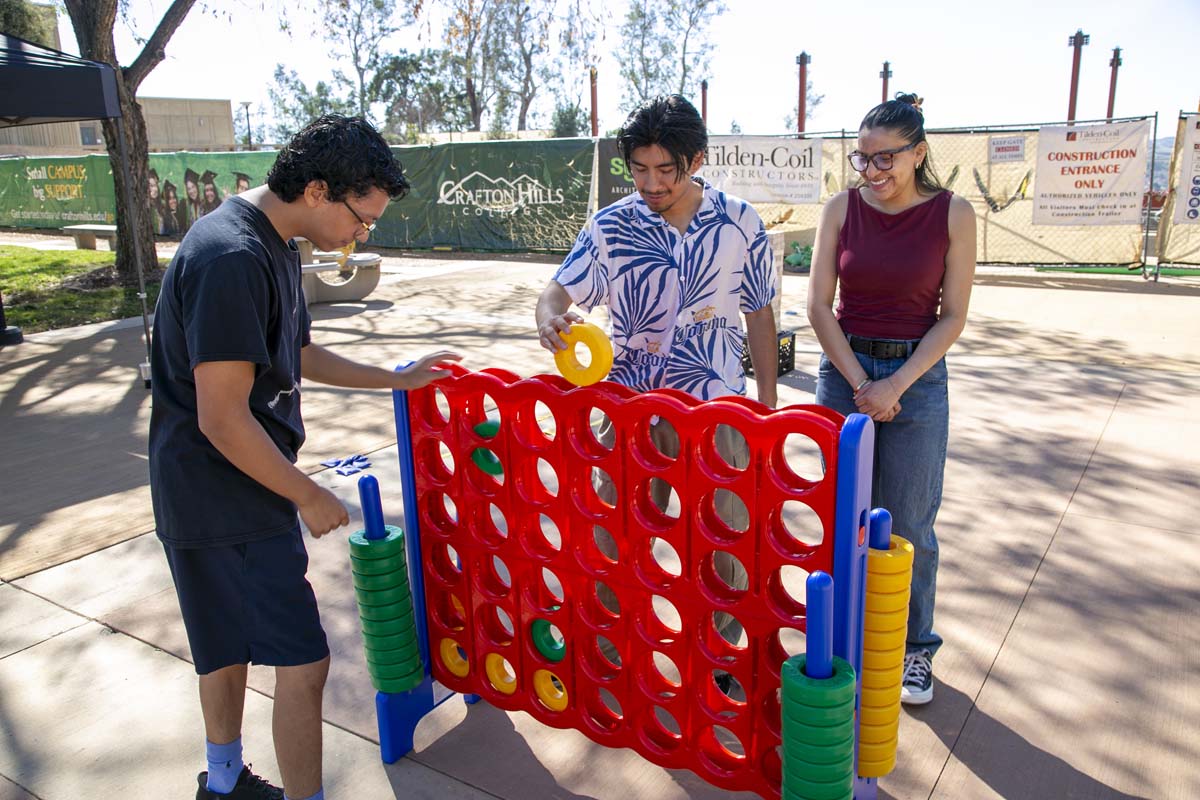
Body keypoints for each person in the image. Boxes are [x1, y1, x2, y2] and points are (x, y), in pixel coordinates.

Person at [149, 114, 461, 800]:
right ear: (319, 190)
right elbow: (224, 417)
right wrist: (306, 493)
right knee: (306, 660)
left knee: (224, 645)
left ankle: (225, 779)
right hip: (226, 491)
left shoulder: (274, 242)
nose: (362, 232)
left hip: (214, 487)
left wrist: (397, 379)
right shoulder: (232, 256)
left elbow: (296, 352)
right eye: (361, 216)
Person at [535, 95, 778, 679]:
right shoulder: (610, 226)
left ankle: (722, 656)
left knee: (725, 542)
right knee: (614, 536)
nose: (650, 182)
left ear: (695, 160)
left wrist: (766, 404)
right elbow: (557, 291)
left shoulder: (740, 222)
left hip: (719, 413)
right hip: (629, 413)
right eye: (638, 169)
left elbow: (762, 315)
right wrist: (549, 317)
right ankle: (613, 650)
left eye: (664, 170)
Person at [806, 92, 976, 706]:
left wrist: (895, 386)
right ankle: (844, 635)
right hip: (845, 369)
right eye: (863, 160)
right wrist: (859, 386)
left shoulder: (954, 214)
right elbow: (819, 308)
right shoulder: (840, 209)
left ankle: (913, 649)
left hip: (918, 380)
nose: (873, 173)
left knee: (909, 523)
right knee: (842, 515)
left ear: (919, 153)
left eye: (887, 160)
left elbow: (952, 316)